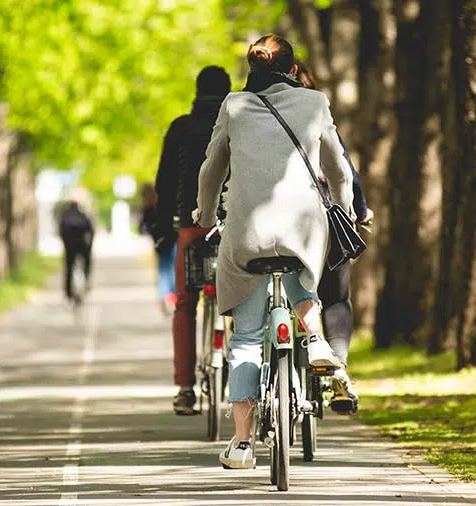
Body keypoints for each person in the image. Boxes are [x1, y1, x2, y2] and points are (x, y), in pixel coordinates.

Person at [193, 35, 353, 469]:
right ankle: (316, 339)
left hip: (247, 231)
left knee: (245, 339)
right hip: (304, 228)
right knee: (305, 276)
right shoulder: (315, 102)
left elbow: (212, 167)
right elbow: (338, 168)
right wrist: (347, 210)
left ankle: (242, 444)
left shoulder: (234, 105)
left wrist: (205, 214)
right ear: (292, 65)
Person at [151, 65, 232, 415]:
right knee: (246, 305)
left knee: (185, 305)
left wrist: (163, 229)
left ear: (197, 92)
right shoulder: (239, 123)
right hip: (233, 226)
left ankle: (185, 388)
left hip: (191, 225)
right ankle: (247, 378)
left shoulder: (181, 128)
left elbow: (164, 181)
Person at [295, 60, 374, 413]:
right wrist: (357, 210)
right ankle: (339, 366)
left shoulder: (252, 113)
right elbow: (345, 171)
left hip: (274, 227)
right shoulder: (316, 111)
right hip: (325, 218)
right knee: (337, 298)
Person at [139, 183, 177, 315]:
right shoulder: (164, 205)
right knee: (171, 270)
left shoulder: (147, 209)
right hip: (172, 241)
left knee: (164, 271)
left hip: (160, 244)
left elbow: (142, 229)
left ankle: (165, 298)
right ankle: (171, 296)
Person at [58, 200, 94, 304]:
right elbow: (91, 231)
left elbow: (61, 232)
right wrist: (89, 246)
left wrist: (65, 244)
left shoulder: (65, 217)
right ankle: (86, 280)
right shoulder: (83, 216)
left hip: (70, 247)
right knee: (86, 264)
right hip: (82, 246)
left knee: (68, 269)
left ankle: (68, 294)